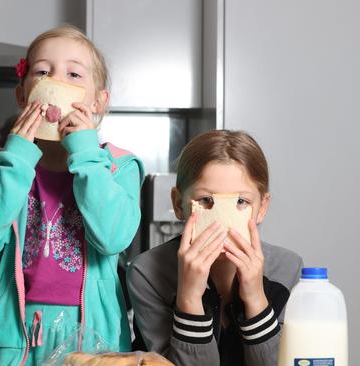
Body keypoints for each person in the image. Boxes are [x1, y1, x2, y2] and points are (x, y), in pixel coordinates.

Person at [0, 25, 145, 365]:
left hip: (94, 342)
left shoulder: (118, 167)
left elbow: (114, 237)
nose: (56, 82)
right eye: (43, 72)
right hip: (14, 338)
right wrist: (16, 158)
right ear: (22, 95)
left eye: (74, 74)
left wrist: (86, 154)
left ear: (98, 101)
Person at [127, 130, 303, 366]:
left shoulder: (288, 268)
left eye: (241, 202)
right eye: (206, 201)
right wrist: (189, 298)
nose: (223, 222)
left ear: (262, 208)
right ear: (178, 204)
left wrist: (256, 298)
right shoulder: (146, 273)